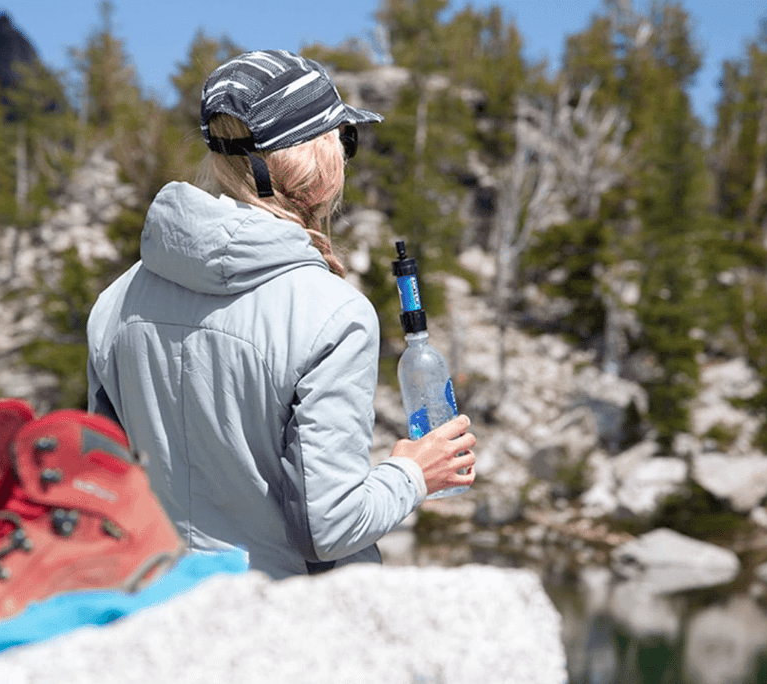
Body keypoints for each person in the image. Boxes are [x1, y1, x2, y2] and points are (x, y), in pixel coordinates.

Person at [86, 49, 476, 579]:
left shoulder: (115, 300)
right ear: (318, 161)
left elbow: (107, 490)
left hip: (155, 605)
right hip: (274, 615)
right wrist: (413, 473)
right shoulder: (335, 316)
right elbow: (331, 528)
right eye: (345, 141)